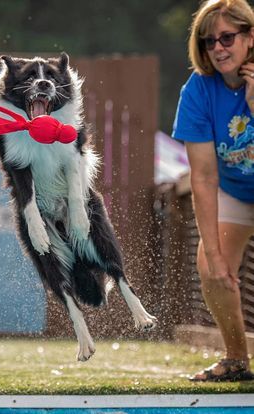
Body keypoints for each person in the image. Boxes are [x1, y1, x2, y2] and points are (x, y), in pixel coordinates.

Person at [172, 0, 254, 382]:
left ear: (250, 37)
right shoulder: (198, 91)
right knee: (210, 266)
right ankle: (236, 360)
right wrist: (216, 255)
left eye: (227, 37)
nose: (218, 48)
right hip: (236, 191)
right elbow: (203, 178)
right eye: (209, 41)